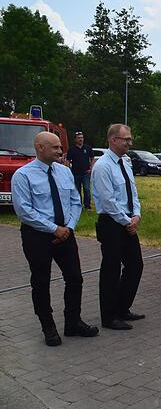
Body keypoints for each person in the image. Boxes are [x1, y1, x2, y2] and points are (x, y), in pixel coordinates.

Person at [11, 132, 99, 346]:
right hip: (38, 237)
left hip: (66, 234)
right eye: (55, 148)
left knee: (75, 278)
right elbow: (24, 211)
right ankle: (48, 326)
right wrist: (53, 229)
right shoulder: (23, 176)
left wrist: (68, 227)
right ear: (40, 148)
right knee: (41, 282)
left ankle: (73, 322)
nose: (61, 151)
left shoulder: (64, 172)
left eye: (60, 147)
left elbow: (75, 201)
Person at [91, 124, 145, 330]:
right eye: (126, 139)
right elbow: (108, 201)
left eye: (130, 139)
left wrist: (136, 216)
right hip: (112, 224)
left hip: (128, 222)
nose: (130, 143)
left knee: (135, 265)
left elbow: (133, 192)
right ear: (113, 140)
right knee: (111, 270)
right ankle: (109, 316)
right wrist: (126, 222)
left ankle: (123, 308)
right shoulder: (103, 166)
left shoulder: (126, 162)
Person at [66, 131, 95, 210]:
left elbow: (92, 158)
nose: (80, 139)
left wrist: (91, 169)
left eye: (82, 137)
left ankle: (87, 206)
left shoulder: (88, 148)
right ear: (75, 139)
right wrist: (68, 170)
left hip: (86, 173)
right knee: (77, 190)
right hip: (75, 173)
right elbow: (68, 160)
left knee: (86, 189)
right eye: (79, 138)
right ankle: (79, 205)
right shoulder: (72, 150)